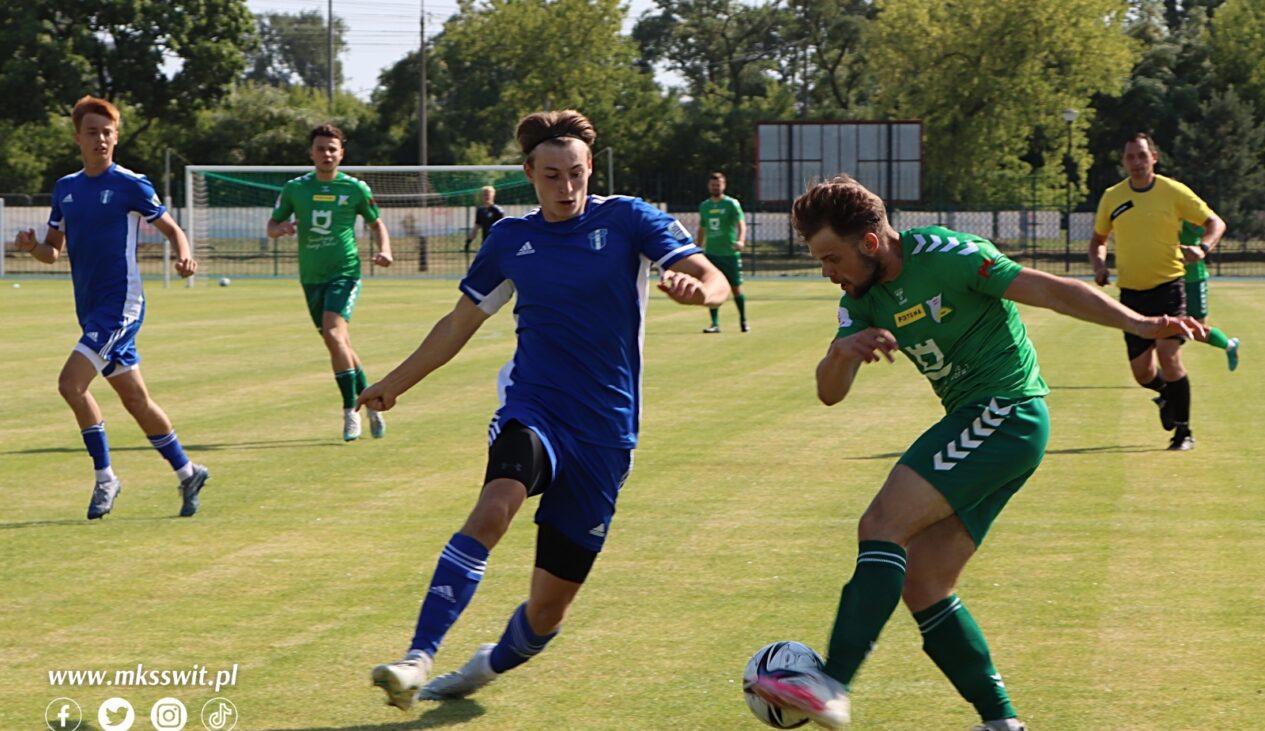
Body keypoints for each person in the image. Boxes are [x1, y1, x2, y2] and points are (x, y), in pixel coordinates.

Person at [749, 175, 1203, 730]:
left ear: (869, 244)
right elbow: (829, 392)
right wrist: (842, 353)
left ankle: (831, 682)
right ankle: (1001, 722)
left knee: (882, 524)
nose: (827, 271)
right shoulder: (861, 298)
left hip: (1007, 411)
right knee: (924, 584)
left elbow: (1049, 290)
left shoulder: (948, 255)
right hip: (985, 423)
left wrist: (1139, 322)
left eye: (831, 257)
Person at [362, 109, 729, 711]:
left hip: (607, 434)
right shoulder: (509, 240)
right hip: (534, 408)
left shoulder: (629, 218)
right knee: (494, 508)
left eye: (577, 174)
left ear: (591, 169)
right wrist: (395, 383)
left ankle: (483, 667)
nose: (567, 189)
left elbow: (710, 275)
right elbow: (458, 324)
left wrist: (700, 291)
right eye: (552, 175)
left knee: (547, 612)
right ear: (529, 173)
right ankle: (415, 659)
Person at [13, 96, 211, 520]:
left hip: (121, 305)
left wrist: (184, 253)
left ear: (116, 136)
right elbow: (53, 252)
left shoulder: (130, 184)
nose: (100, 139)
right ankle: (187, 470)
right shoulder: (65, 189)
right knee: (136, 400)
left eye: (107, 132)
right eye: (92, 132)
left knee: (71, 385)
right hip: (90, 308)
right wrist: (32, 248)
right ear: (78, 137)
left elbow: (171, 227)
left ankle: (106, 478)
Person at [1088, 132, 1226, 450]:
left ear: (1154, 157)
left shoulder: (1172, 191)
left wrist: (1203, 248)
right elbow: (1098, 240)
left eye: (1141, 155)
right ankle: (1166, 395)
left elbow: (1215, 222)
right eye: (1130, 157)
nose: (1136, 162)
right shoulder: (1112, 196)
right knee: (1142, 372)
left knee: (1169, 354)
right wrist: (1099, 266)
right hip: (1132, 295)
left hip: (1169, 287)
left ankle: (1184, 432)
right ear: (1124, 162)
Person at [267, 124, 394, 442]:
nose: (327, 154)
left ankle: (350, 411)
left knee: (335, 336)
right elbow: (273, 223)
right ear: (311, 153)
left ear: (342, 153)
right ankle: (371, 403)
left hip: (345, 272)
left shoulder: (355, 189)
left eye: (332, 148)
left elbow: (377, 224)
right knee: (341, 345)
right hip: (311, 278)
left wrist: (385, 249)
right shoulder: (295, 189)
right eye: (321, 148)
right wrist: (279, 230)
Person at [1179, 220, 1241, 371]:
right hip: (1167, 278)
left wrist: (1197, 249)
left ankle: (1229, 345)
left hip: (1193, 278)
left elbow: (1209, 229)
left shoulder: (1185, 211)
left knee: (1197, 327)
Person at [696, 171, 750, 332]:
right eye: (713, 185)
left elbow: (741, 224)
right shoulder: (704, 206)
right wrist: (699, 247)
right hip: (711, 254)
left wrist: (741, 240)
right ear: (709, 186)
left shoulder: (731, 204)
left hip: (729, 254)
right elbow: (702, 227)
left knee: (735, 288)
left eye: (718, 184)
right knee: (711, 288)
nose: (715, 187)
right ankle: (715, 324)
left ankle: (743, 320)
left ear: (723, 185)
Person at [464, 185, 506, 259]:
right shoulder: (480, 211)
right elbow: (476, 227)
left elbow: (502, 228)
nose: (487, 196)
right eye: (484, 194)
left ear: (493, 195)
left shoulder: (498, 211)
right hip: (485, 242)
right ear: (481, 196)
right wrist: (468, 241)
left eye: (488, 194)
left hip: (496, 243)